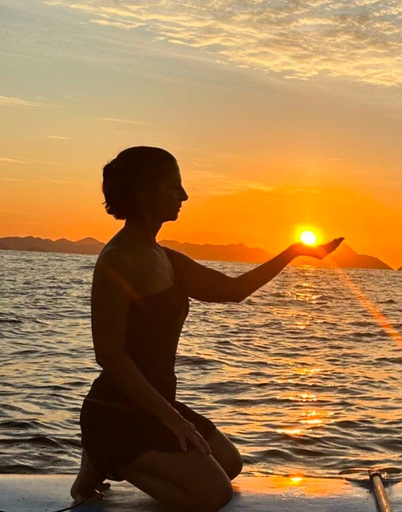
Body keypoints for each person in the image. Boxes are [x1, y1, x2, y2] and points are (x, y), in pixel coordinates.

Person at [69, 146, 343, 512]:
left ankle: (110, 456)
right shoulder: (117, 261)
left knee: (230, 464)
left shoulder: (163, 257)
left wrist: (295, 251)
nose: (184, 196)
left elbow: (233, 291)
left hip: (155, 406)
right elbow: (110, 355)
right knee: (213, 495)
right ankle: (107, 455)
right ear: (143, 194)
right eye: (174, 186)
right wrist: (173, 419)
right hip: (117, 409)